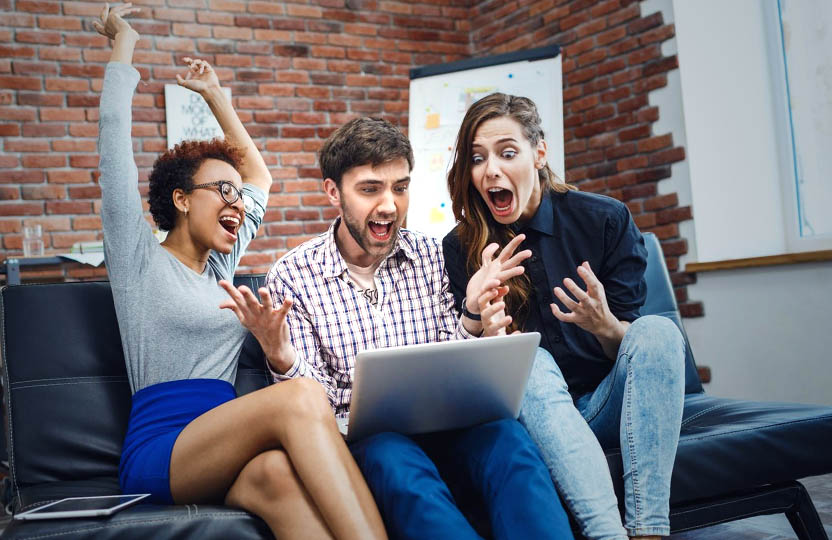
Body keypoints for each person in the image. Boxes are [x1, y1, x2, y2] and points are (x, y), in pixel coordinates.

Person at [93, 5, 386, 539]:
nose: (236, 199)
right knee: (301, 395)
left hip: (222, 440)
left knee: (275, 476)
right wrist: (124, 43)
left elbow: (261, 177)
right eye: (220, 191)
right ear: (180, 200)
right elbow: (114, 147)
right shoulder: (138, 261)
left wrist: (216, 96)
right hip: (164, 446)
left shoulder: (220, 268)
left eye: (236, 192)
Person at [220, 116, 572, 539]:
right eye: (371, 189)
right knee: (396, 460)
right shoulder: (295, 275)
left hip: (451, 427)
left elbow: (451, 355)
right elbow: (314, 408)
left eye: (400, 188)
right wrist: (280, 354)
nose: (389, 205)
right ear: (333, 191)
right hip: (371, 445)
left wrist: (474, 313)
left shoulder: (428, 252)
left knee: (509, 440)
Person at [442, 92, 686, 540]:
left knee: (656, 331)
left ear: (539, 153)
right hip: (534, 419)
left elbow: (632, 350)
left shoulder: (604, 220)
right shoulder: (461, 248)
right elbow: (472, 383)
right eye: (477, 158)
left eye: (507, 153)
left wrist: (606, 326)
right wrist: (487, 337)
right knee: (528, 358)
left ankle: (650, 531)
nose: (491, 170)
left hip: (610, 405)